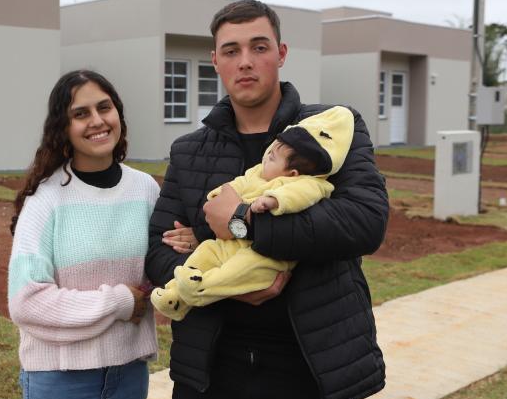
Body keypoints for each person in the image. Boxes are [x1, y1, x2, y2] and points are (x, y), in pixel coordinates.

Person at [145, 0, 388, 399]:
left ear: (281, 53)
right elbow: (158, 250)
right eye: (231, 50)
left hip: (309, 370)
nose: (246, 61)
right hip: (209, 373)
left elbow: (364, 221)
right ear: (215, 61)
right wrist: (221, 280)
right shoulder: (190, 151)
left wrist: (240, 224)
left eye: (259, 47)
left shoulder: (330, 132)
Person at [8, 70, 159, 399]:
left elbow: (160, 266)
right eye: (81, 113)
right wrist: (120, 301)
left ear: (119, 115)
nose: (96, 120)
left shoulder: (145, 189)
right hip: (60, 381)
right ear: (64, 128)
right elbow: (26, 301)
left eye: (104, 107)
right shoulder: (46, 201)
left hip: (127, 374)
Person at [150, 105, 354, 321]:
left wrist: (272, 201)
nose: (266, 158)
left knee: (242, 268)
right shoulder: (257, 171)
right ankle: (176, 296)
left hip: (263, 255)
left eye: (273, 158)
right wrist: (218, 195)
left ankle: (204, 288)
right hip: (228, 248)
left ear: (292, 172)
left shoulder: (308, 183)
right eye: (271, 152)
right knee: (207, 251)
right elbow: (239, 184)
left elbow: (299, 195)